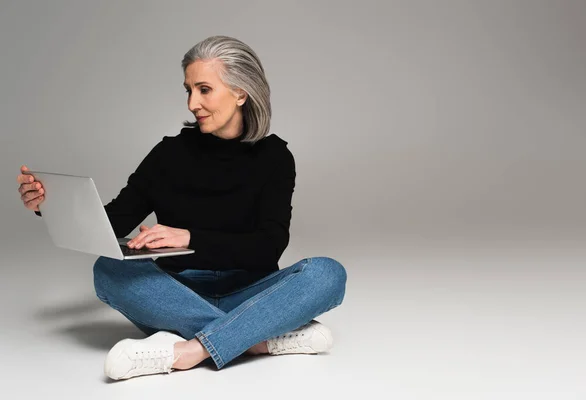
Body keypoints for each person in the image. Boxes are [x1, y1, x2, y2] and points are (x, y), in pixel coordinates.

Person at [16, 35, 347, 380]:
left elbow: (269, 244)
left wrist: (188, 236)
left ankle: (191, 349)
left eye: (204, 89)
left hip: (252, 292)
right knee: (108, 270)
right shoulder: (169, 154)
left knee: (327, 273)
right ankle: (253, 338)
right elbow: (113, 221)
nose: (192, 103)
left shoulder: (275, 158)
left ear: (240, 93)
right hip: (177, 294)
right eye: (188, 90)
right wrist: (47, 205)